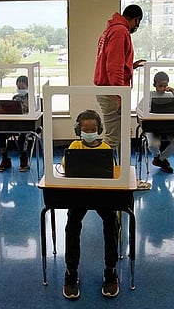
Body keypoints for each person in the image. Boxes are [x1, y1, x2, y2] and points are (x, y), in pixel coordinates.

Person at [62, 109, 119, 300]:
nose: (89, 132)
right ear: (79, 130)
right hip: (79, 194)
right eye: (85, 129)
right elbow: (65, 165)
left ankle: (110, 270)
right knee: (72, 225)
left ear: (99, 129)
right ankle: (71, 272)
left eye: (93, 129)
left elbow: (110, 170)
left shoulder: (105, 149)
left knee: (111, 222)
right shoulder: (74, 146)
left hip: (102, 194)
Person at [94, 4, 146, 152]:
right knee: (113, 138)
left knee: (119, 135)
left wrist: (131, 65)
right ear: (136, 19)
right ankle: (101, 171)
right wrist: (119, 96)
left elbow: (111, 61)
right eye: (138, 22)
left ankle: (119, 172)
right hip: (112, 91)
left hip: (108, 89)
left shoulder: (111, 29)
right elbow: (114, 67)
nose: (137, 26)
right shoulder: (120, 31)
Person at [143, 71, 174, 173]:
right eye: (160, 86)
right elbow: (140, 109)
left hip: (168, 127)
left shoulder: (169, 95)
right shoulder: (149, 95)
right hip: (153, 128)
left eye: (165, 86)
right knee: (153, 144)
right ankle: (160, 160)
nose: (162, 88)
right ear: (155, 84)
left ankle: (159, 159)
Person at [0, 75, 33, 172]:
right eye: (19, 87)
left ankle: (24, 159)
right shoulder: (15, 97)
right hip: (15, 124)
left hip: (28, 125)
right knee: (1, 135)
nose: (20, 89)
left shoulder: (33, 98)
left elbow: (34, 112)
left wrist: (26, 108)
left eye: (23, 87)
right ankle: (5, 159)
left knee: (22, 136)